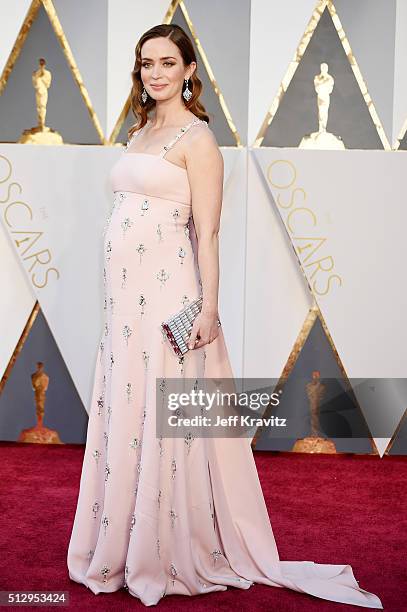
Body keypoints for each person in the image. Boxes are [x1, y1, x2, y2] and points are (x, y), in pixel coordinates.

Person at [67, 24, 383, 609]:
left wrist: (208, 309)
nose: (155, 73)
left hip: (170, 300)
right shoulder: (140, 131)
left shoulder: (198, 139)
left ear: (189, 70)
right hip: (123, 305)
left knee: (163, 414)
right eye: (146, 64)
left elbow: (206, 233)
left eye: (167, 63)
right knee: (129, 408)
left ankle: (158, 551)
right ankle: (119, 541)